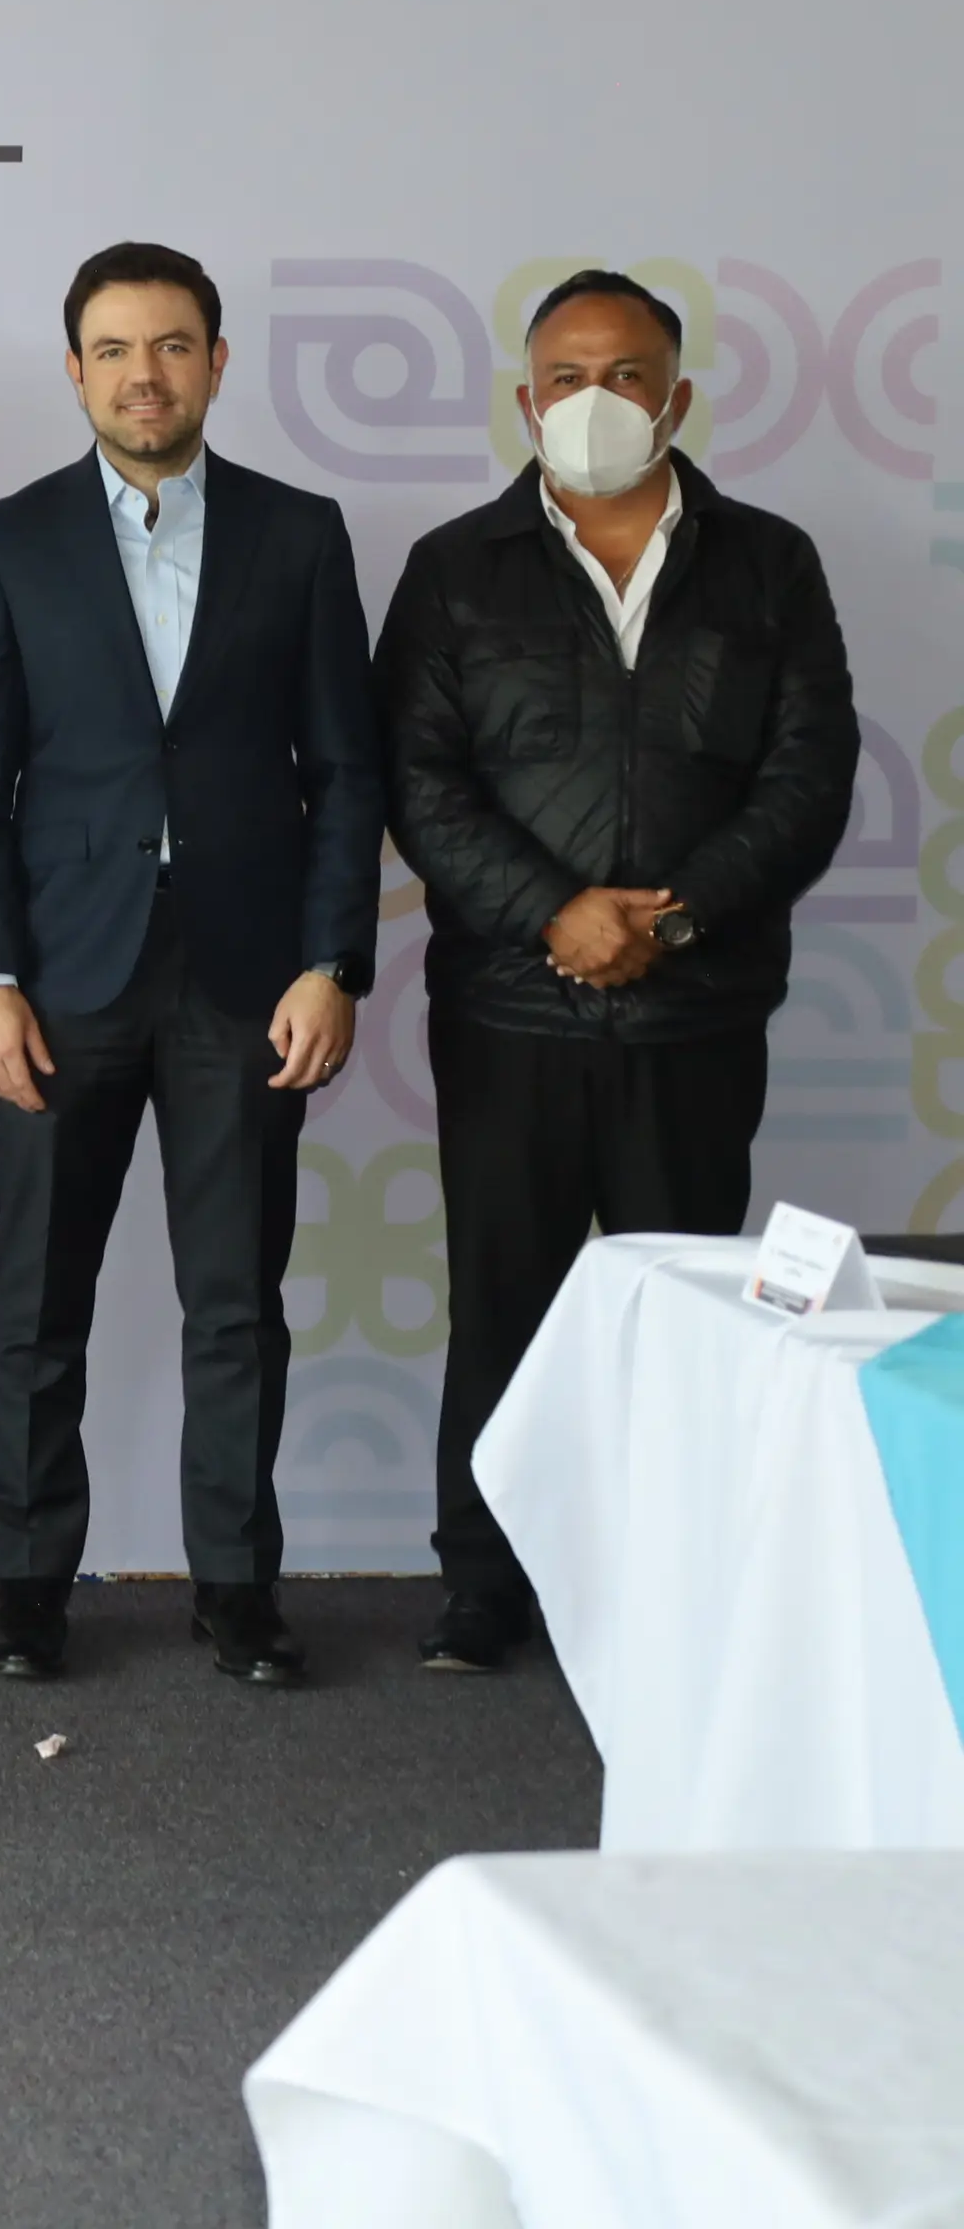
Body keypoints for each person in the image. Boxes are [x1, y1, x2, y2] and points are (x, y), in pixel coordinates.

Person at [378, 268, 856, 1674]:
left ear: (677, 396)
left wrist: (675, 922)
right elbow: (420, 779)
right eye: (569, 378)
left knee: (685, 1317)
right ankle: (485, 1586)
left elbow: (807, 777)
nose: (598, 400)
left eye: (628, 375)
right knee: (504, 1307)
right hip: (510, 1012)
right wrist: (553, 915)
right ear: (528, 403)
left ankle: (671, 1591)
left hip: (695, 1013)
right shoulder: (456, 568)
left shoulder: (768, 564)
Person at [0, 240, 383, 1687]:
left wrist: (332, 963)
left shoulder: (300, 534)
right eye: (118, 350)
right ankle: (27, 1586)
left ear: (217, 363)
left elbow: (347, 772)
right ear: (76, 371)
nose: (148, 375)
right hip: (60, 977)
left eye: (175, 346)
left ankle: (237, 1588)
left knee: (237, 1302)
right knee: (37, 1302)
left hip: (249, 978)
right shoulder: (8, 540)